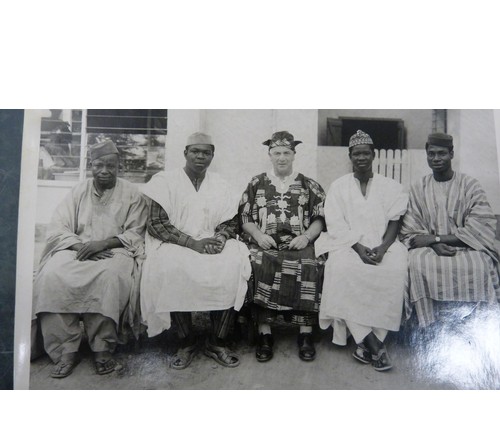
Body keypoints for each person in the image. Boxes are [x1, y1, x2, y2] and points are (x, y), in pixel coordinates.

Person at [32, 140, 148, 378]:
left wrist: (104, 243)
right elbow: (58, 227)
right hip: (76, 249)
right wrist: (80, 245)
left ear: (120, 167)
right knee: (52, 275)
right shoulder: (78, 191)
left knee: (110, 277)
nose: (104, 171)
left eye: (110, 166)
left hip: (115, 250)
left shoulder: (132, 194)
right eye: (98, 165)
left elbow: (136, 231)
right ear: (90, 165)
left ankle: (102, 348)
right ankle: (65, 351)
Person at [141, 132, 250, 369]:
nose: (200, 156)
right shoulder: (165, 181)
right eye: (195, 151)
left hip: (211, 241)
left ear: (212, 155)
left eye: (206, 152)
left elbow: (231, 221)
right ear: (185, 153)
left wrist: (220, 238)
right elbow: (157, 224)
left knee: (232, 264)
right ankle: (186, 342)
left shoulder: (221, 184)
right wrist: (192, 244)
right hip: (177, 243)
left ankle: (217, 342)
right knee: (172, 267)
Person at [315, 130, 409, 371]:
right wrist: (358, 248)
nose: (361, 158)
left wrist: (382, 248)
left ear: (373, 155)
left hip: (383, 243)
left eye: (366, 153)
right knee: (340, 269)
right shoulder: (339, 186)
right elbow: (335, 225)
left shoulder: (391, 186)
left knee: (396, 269)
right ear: (350, 156)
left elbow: (394, 223)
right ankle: (374, 346)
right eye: (356, 154)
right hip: (347, 244)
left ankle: (369, 341)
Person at [239, 131, 326, 362]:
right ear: (269, 155)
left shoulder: (308, 184)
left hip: (299, 243)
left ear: (294, 155)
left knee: (309, 264)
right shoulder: (256, 183)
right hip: (265, 242)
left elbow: (320, 218)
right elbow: (245, 217)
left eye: (286, 152)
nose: (281, 157)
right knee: (258, 263)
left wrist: (307, 237)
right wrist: (258, 235)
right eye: (276, 153)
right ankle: (265, 333)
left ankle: (305, 333)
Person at [400, 132, 500, 329]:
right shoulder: (419, 187)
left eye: (442, 154)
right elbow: (411, 231)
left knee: (481, 265)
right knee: (416, 264)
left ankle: (476, 326)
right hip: (430, 249)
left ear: (452, 154)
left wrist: (435, 238)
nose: (436, 159)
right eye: (431, 154)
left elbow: (480, 229)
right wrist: (435, 244)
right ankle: (427, 326)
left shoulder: (470, 185)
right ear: (427, 155)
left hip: (467, 247)